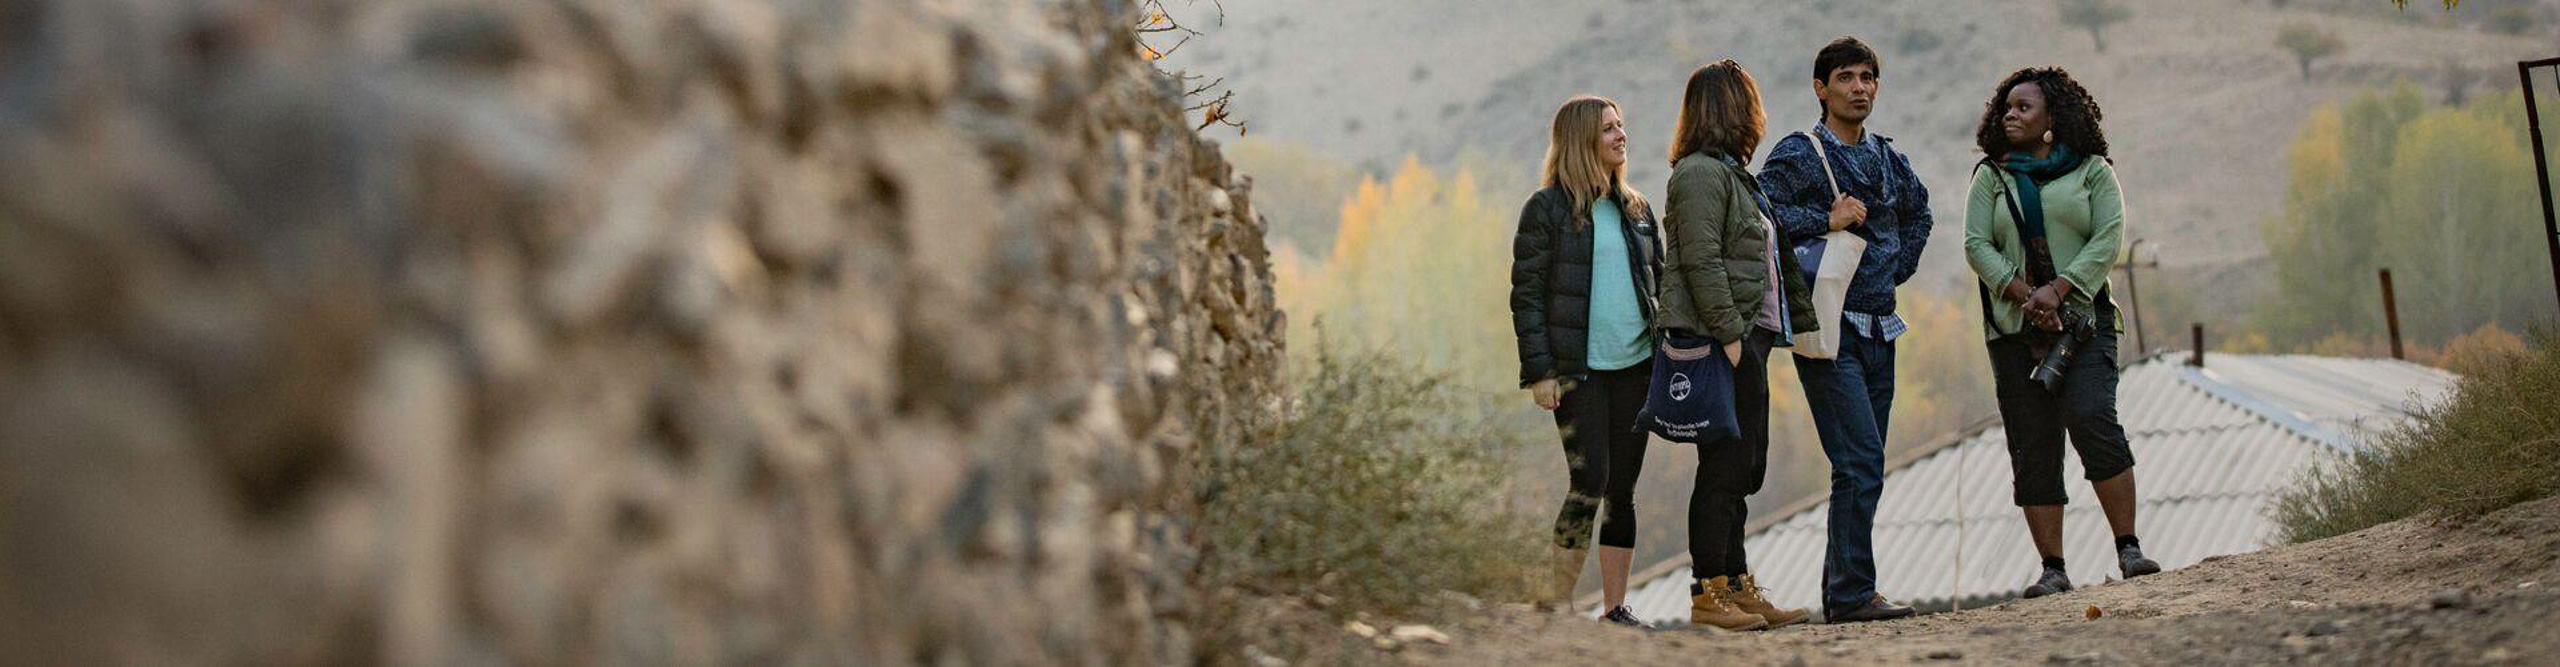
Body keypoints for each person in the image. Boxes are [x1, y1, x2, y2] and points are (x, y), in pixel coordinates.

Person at [1961, 66, 2161, 600]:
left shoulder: (2094, 172)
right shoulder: (1991, 177)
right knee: (2032, 444)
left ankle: (2128, 548)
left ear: (2052, 118)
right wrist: (2025, 296)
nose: (2011, 114)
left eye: (2023, 107)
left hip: (2084, 327)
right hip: (2014, 333)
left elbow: (2108, 237)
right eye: (2006, 107)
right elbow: (1976, 244)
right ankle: (2053, 568)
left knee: (2092, 417)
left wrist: (2060, 290)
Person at [1756, 36, 1931, 623]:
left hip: (1881, 326)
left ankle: (1844, 593)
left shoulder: (1887, 157)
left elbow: (1920, 211)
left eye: (1868, 77)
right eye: (1847, 78)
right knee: (1859, 459)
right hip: (1828, 329)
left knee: (1862, 464)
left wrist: (1891, 267)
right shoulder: (1800, 153)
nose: (1860, 88)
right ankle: (1854, 593)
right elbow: (1760, 215)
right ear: (1821, 88)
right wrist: (1824, 218)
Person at [1655, 60, 1820, 632]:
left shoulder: (1733, 175)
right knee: (1723, 468)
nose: (1757, 113)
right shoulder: (1699, 174)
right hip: (1726, 339)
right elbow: (1700, 259)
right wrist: (1728, 334)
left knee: (1745, 467)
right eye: (1749, 101)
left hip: (1752, 336)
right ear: (1729, 108)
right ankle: (1708, 594)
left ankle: (1736, 584)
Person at [1509, 95, 1664, 626]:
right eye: (1608, 129)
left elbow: (1659, 283)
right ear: (1580, 141)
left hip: (1637, 369)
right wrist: (1540, 372)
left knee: (1623, 489)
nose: (1621, 135)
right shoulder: (1546, 210)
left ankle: (1615, 608)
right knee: (1589, 480)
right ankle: (1556, 603)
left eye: (1621, 125)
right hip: (1578, 373)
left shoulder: (1638, 209)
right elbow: (1527, 296)